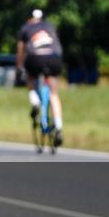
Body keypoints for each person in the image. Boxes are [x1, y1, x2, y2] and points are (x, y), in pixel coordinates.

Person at [16, 9, 64, 146]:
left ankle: (35, 101)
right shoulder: (50, 25)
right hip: (54, 58)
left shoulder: (26, 28)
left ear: (29, 18)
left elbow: (21, 50)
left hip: (35, 59)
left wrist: (20, 68)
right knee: (54, 94)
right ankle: (59, 127)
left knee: (31, 80)